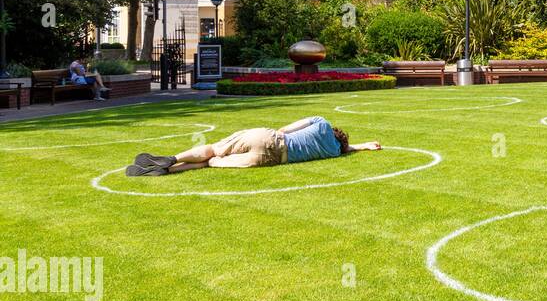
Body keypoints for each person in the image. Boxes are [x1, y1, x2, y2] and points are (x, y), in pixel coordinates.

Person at [126, 116, 380, 177]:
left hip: (268, 138)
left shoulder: (322, 122)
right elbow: (348, 150)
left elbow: (285, 129)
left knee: (214, 149)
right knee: (211, 163)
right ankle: (165, 171)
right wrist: (365, 146)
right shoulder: (334, 151)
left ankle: (171, 157)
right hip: (272, 158)